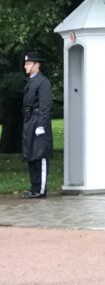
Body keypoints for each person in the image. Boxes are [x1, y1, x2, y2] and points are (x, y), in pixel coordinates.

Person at [21, 51, 52, 199]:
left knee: (40, 155)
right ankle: (34, 187)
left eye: (28, 63)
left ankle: (40, 189)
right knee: (31, 154)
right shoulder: (32, 81)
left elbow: (45, 106)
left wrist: (42, 125)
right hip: (29, 121)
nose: (25, 66)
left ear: (36, 65)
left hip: (38, 121)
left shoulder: (43, 82)